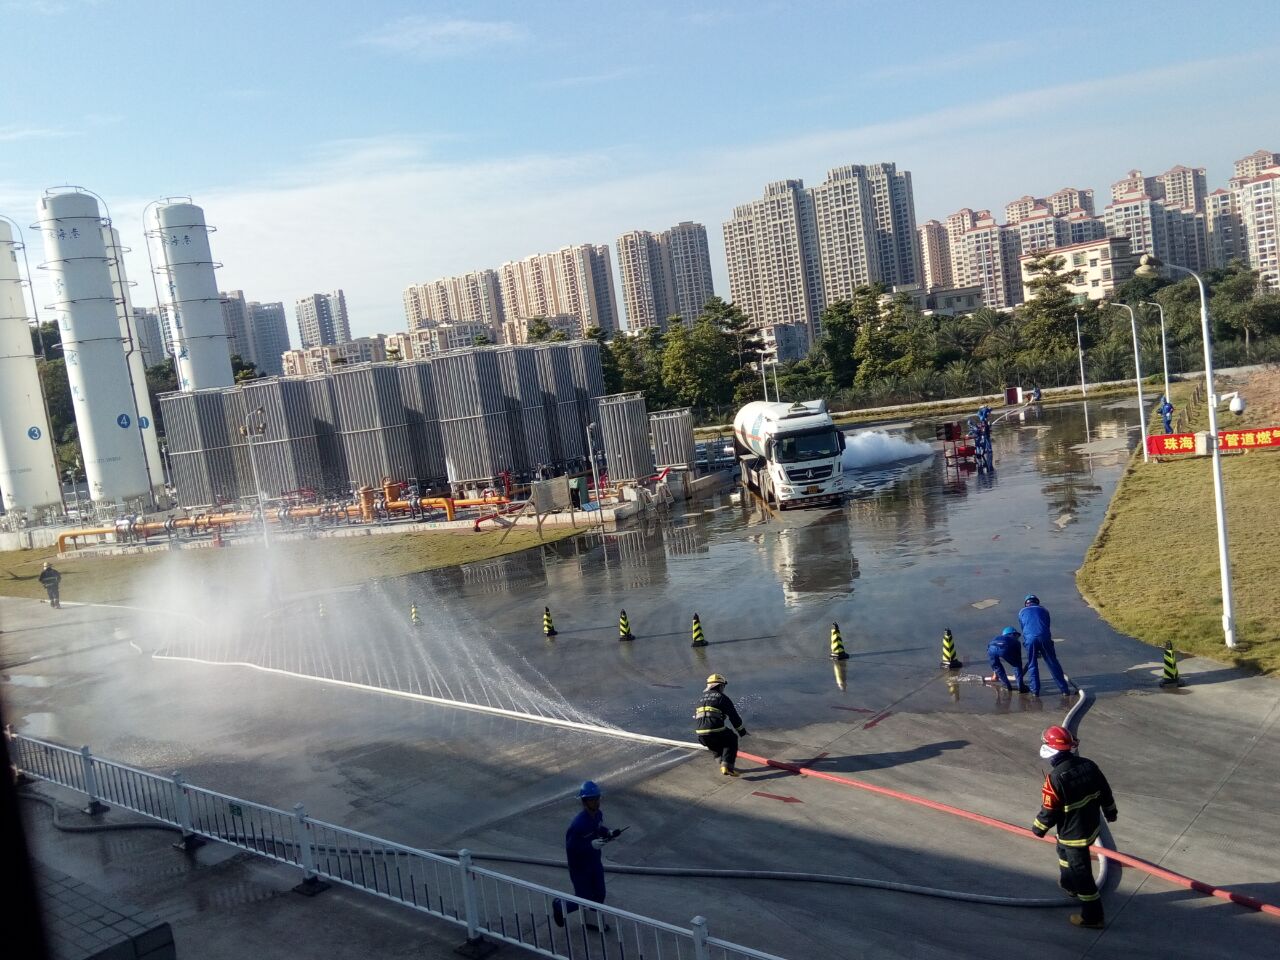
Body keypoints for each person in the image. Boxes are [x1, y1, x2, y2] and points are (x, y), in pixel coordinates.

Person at [1031, 725, 1118, 929]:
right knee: (1062, 851)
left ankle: (1093, 916)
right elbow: (1105, 791)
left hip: (1073, 834)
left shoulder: (1055, 779)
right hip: (1090, 826)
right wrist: (1110, 812)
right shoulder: (1089, 765)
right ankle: (1069, 884)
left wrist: (1038, 828)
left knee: (1082, 874)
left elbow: (1049, 811)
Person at [552, 781, 621, 929]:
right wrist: (590, 846)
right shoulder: (578, 825)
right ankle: (559, 905)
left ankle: (592, 922)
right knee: (584, 897)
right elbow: (571, 849)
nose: (596, 802)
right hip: (580, 867)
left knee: (600, 893)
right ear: (584, 802)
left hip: (594, 861)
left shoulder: (598, 815)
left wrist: (608, 833)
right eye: (592, 799)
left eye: (597, 798)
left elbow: (598, 828)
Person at [693, 673, 748, 777]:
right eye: (723, 686)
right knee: (731, 738)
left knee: (715, 745)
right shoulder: (722, 697)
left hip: (700, 734)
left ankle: (720, 760)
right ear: (720, 686)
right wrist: (742, 731)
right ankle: (727, 767)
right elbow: (734, 717)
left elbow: (700, 716)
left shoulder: (700, 699)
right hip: (714, 730)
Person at [1018, 595, 1071, 697]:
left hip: (1030, 639)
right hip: (1044, 638)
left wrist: (1030, 645)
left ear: (1026, 603)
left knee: (1032, 665)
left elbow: (1024, 628)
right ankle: (1064, 690)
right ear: (1037, 602)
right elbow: (1046, 626)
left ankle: (1035, 691)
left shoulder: (1022, 612)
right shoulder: (1044, 610)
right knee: (1053, 663)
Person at [987, 627, 1028, 692]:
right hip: (1006, 646)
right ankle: (1021, 686)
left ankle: (1006, 685)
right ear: (1013, 634)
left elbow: (993, 661)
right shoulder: (1016, 641)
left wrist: (995, 674)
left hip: (991, 647)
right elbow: (1018, 660)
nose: (1018, 638)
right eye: (1017, 635)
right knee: (1017, 665)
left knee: (997, 666)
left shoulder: (997, 637)